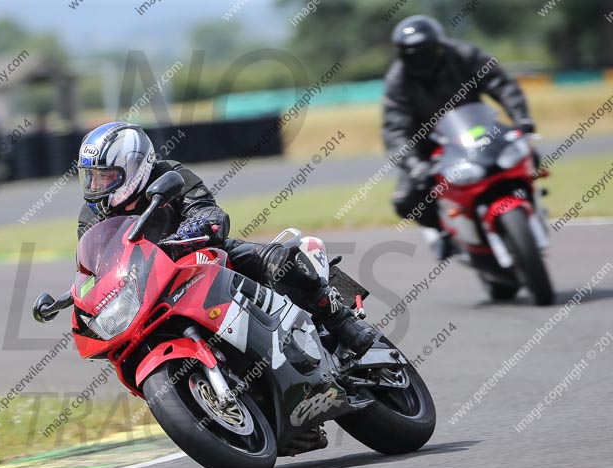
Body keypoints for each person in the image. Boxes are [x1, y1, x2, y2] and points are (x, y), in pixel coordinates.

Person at [76, 121, 377, 358]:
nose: (97, 185)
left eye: (106, 176)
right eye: (91, 177)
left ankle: (341, 322)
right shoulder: (91, 217)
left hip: (204, 256)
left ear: (134, 165)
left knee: (276, 261)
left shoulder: (169, 174)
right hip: (150, 286)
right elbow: (94, 268)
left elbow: (209, 213)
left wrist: (191, 231)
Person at [383, 15, 536, 258]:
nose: (419, 59)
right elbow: (395, 129)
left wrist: (521, 118)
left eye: (424, 52)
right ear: (402, 54)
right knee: (407, 199)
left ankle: (528, 198)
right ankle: (444, 232)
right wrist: (414, 165)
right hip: (428, 145)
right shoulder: (398, 80)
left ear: (438, 46)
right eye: (412, 54)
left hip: (476, 127)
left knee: (523, 150)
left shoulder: (464, 54)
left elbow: (501, 84)